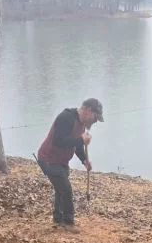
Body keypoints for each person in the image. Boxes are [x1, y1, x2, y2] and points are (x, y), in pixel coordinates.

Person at [38, 98, 104, 232]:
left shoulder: (82, 124)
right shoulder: (66, 117)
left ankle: (58, 220)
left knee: (60, 189)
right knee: (66, 189)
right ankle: (68, 222)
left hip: (61, 161)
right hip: (48, 159)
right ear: (88, 111)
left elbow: (76, 145)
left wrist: (84, 160)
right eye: (95, 117)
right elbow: (59, 141)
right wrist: (81, 139)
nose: (95, 121)